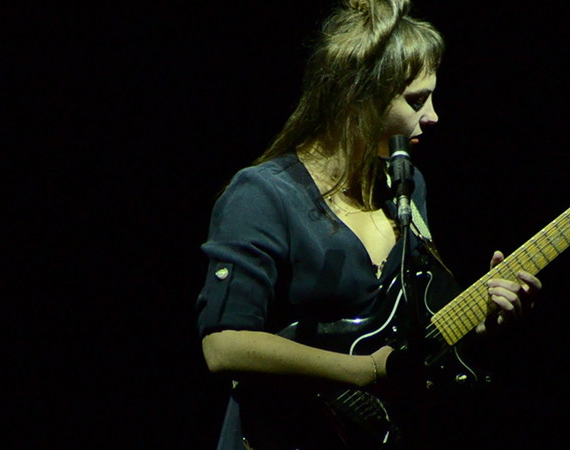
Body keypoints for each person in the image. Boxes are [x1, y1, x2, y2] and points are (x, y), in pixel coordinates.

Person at [196, 1, 541, 448]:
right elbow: (224, 347)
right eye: (416, 100)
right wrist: (365, 371)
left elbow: (406, 329)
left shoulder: (406, 184)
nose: (433, 115)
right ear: (359, 97)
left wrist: (483, 321)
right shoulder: (262, 194)